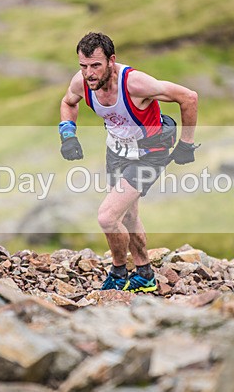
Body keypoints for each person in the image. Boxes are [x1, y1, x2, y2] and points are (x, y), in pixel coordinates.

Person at [59, 32, 199, 292]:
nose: (89, 74)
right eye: (83, 66)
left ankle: (118, 272)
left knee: (107, 217)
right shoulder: (82, 82)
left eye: (95, 65)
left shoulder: (135, 84)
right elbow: (68, 102)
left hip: (150, 153)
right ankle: (145, 274)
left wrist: (186, 143)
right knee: (129, 215)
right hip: (116, 152)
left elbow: (189, 97)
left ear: (111, 61)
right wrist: (67, 134)